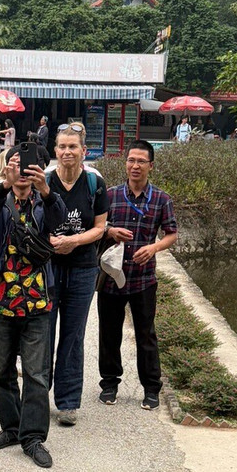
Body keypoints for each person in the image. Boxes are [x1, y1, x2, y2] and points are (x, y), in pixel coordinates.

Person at [0, 145, 66, 468]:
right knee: (1, 372)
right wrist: (4, 182)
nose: (23, 171)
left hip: (37, 301)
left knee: (36, 375)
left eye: (29, 165)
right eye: (16, 164)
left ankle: (33, 438)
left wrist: (47, 191)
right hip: (1, 301)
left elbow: (59, 222)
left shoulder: (45, 202)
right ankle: (11, 428)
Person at [98, 140, 178, 411]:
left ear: (150, 166)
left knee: (146, 335)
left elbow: (171, 234)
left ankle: (151, 389)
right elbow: (96, 226)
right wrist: (110, 231)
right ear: (126, 164)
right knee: (109, 333)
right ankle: (109, 384)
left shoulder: (162, 199)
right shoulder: (111, 196)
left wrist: (154, 248)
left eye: (141, 161)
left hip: (143, 278)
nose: (135, 166)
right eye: (131, 160)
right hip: (112, 277)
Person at [46, 122, 107, 426]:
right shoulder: (44, 181)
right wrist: (51, 241)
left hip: (83, 270)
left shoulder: (95, 183)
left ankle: (68, 402)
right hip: (48, 269)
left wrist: (74, 241)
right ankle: (36, 395)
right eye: (62, 146)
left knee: (73, 336)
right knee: (42, 333)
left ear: (84, 151)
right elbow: (31, 221)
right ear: (55, 150)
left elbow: (100, 227)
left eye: (73, 147)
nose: (67, 152)